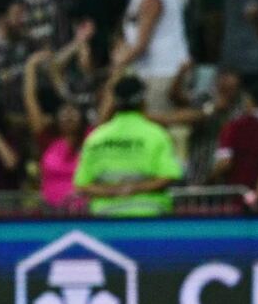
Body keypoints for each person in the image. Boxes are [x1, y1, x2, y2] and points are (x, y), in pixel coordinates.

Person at [74, 75, 182, 217]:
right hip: (149, 215)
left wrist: (114, 192)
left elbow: (82, 185)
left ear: (114, 102)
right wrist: (133, 188)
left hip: (105, 217)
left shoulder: (96, 137)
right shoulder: (156, 134)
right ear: (143, 100)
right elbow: (168, 176)